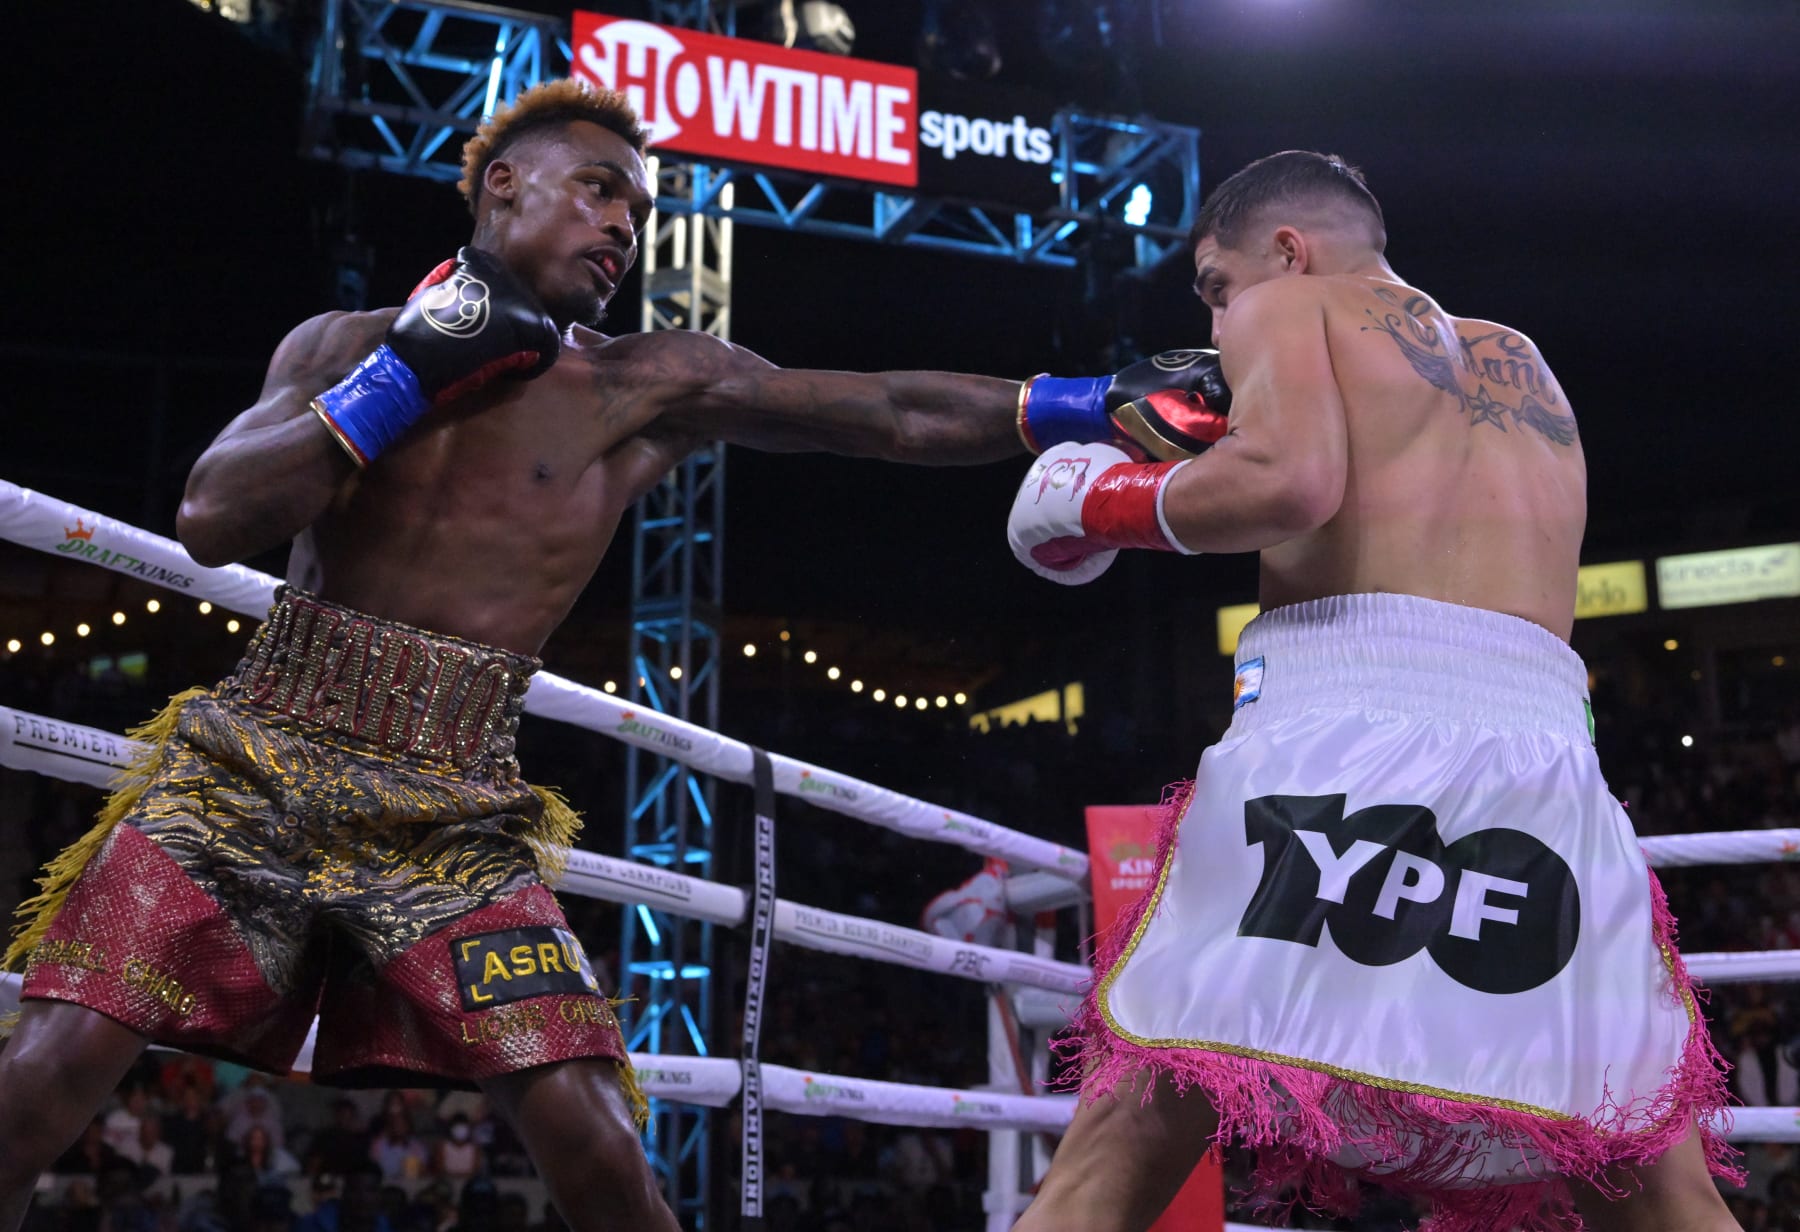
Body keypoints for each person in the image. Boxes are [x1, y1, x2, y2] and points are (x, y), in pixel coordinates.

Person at [0, 78, 1224, 1232]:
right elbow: (214, 518)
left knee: (593, 1132)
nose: (622, 222)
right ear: (500, 190)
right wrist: (408, 372)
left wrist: (1083, 400)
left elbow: (884, 409)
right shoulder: (343, 345)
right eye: (595, 188)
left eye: (635, 205)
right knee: (48, 1068)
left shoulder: (641, 385)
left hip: (452, 806)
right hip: (254, 762)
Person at [1004, 151, 1739, 1230]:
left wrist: (1101, 499)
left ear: (1288, 250)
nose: (1218, 325)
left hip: (1339, 741)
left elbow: (1288, 480)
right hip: (1544, 768)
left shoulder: (1286, 305)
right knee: (1650, 1178)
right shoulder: (1525, 362)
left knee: (1130, 1130)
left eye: (1216, 287)